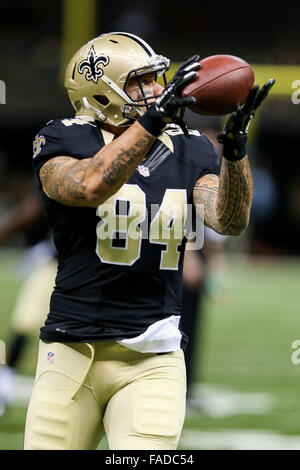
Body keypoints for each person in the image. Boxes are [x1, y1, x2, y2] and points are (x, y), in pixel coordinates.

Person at [24, 32, 274, 450]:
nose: (158, 90)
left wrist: (234, 151)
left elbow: (227, 220)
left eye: (157, 79)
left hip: (153, 356)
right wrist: (152, 121)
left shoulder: (191, 148)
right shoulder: (62, 138)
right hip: (71, 349)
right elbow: (90, 186)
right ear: (101, 92)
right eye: (142, 81)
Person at [0, 189, 57, 415]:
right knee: (25, 319)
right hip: (58, 260)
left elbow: (31, 210)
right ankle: (5, 378)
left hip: (91, 266)